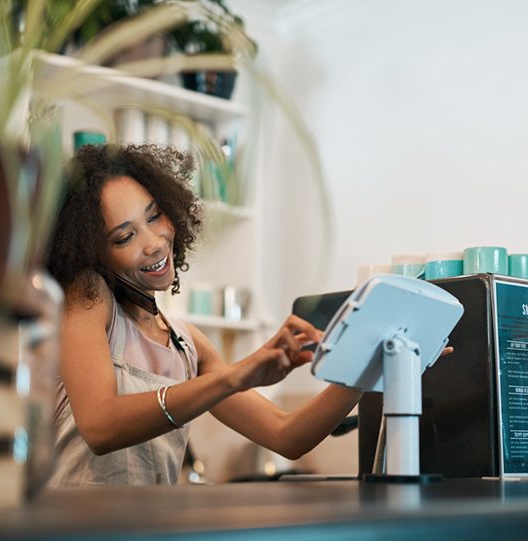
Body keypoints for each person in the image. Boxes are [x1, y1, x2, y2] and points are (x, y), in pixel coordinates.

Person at [43, 144, 410, 486]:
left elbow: (287, 435)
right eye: (124, 238)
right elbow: (100, 426)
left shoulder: (187, 344)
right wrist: (234, 377)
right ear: (90, 252)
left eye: (155, 216)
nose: (154, 242)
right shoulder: (86, 298)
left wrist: (367, 364)